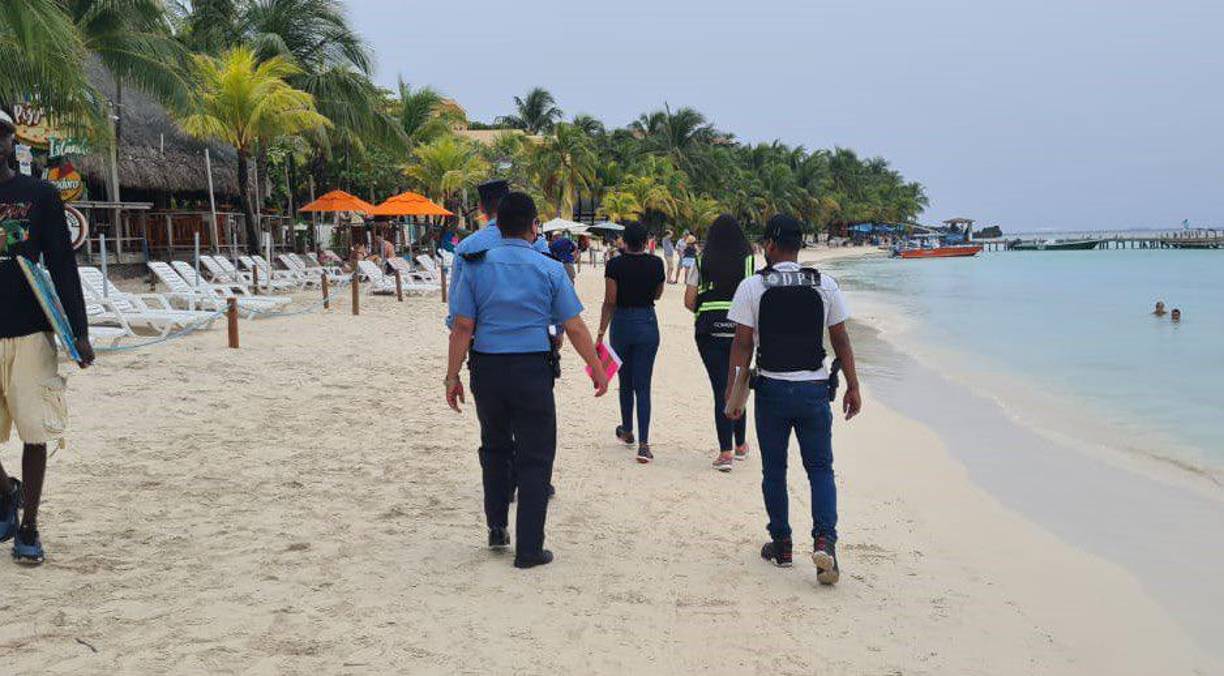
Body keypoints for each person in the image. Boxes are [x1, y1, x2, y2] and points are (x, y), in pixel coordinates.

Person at [446, 192, 608, 569]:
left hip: (487, 367)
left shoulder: (474, 264)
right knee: (535, 456)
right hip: (532, 369)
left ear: (496, 224)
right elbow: (574, 325)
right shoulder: (549, 267)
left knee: (494, 448)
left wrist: (451, 376)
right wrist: (596, 368)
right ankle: (530, 548)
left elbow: (462, 327)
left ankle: (497, 528)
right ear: (535, 227)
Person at [726, 214, 861, 585]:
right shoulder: (824, 284)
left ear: (769, 244)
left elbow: (741, 345)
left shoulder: (753, 286)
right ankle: (824, 541)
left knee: (775, 470)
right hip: (814, 391)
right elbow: (841, 340)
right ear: (798, 245)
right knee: (820, 469)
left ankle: (782, 544)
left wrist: (733, 392)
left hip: (771, 389)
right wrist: (853, 384)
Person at [0, 108, 94, 565]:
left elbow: (62, 264)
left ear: (9, 141)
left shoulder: (38, 195)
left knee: (34, 433)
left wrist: (80, 333)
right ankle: (7, 494)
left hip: (32, 332)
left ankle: (30, 526)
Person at [685, 215, 755, 472]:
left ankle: (725, 453)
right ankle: (740, 446)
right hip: (741, 329)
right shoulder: (748, 260)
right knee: (739, 382)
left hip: (709, 329)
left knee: (719, 388)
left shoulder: (701, 260)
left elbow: (689, 300)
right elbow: (753, 295)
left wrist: (709, 307)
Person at [597, 223, 665, 463]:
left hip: (622, 322)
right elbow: (657, 294)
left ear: (624, 241)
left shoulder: (614, 264)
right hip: (647, 320)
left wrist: (600, 332)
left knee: (624, 381)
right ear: (646, 241)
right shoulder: (657, 264)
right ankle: (644, 444)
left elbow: (610, 301)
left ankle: (627, 430)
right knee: (643, 385)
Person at [446, 179, 550, 329]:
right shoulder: (536, 242)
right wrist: (556, 329)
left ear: (481, 207)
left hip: (484, 338)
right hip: (534, 334)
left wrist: (456, 329)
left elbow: (457, 300)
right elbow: (551, 291)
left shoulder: (466, 247)